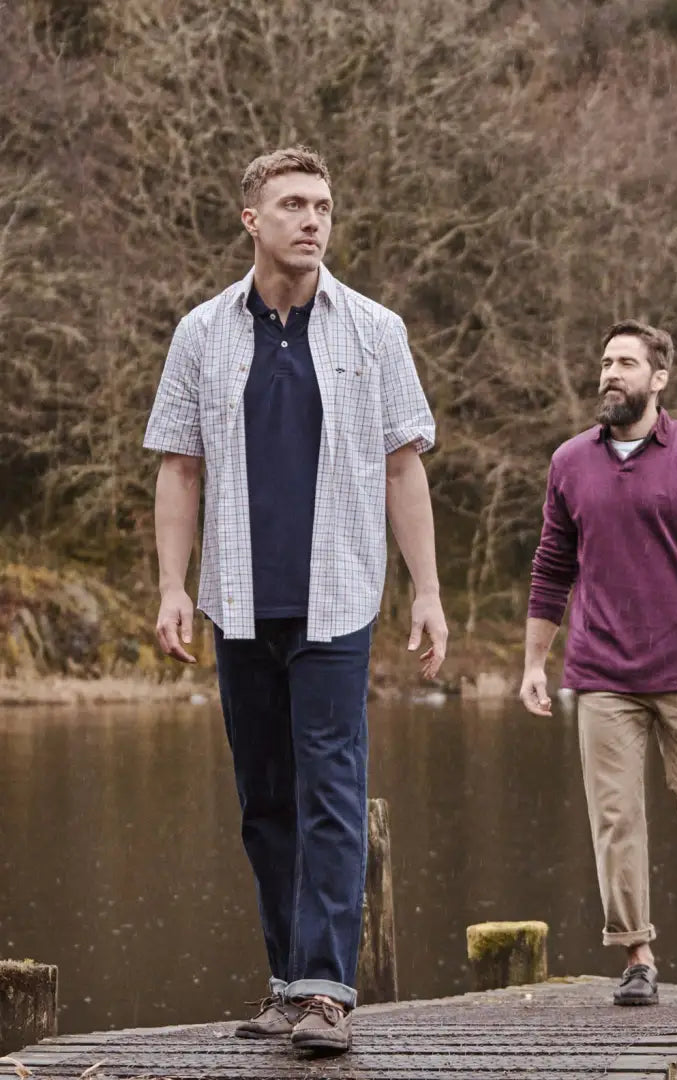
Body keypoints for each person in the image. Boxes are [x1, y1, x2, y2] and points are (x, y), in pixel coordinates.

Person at [144, 146, 447, 1055]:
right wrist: (170, 585)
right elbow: (179, 467)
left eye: (323, 204)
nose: (312, 219)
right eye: (292, 205)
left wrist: (428, 591)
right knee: (263, 798)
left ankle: (325, 992)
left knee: (332, 791)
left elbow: (404, 466)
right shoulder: (202, 333)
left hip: (339, 595)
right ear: (252, 221)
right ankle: (286, 979)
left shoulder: (374, 330)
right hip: (237, 595)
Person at [520, 320, 677, 1006]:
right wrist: (536, 663)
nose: (610, 373)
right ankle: (638, 955)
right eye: (604, 362)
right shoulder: (570, 463)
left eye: (626, 362)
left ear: (659, 379)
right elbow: (551, 567)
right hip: (599, 674)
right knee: (616, 818)